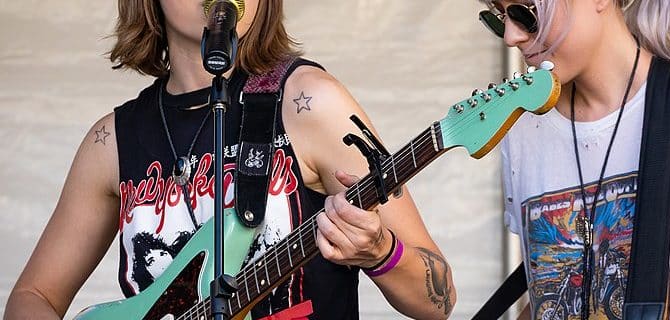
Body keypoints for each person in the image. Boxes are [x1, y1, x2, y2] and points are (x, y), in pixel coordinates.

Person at [5, 1, 455, 319]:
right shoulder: (112, 142)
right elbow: (32, 295)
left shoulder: (311, 102)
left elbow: (439, 298)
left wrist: (381, 253)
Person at [478, 0, 670, 319]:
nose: (511, 36)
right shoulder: (522, 129)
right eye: (499, 18)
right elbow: (544, 299)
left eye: (527, 14)